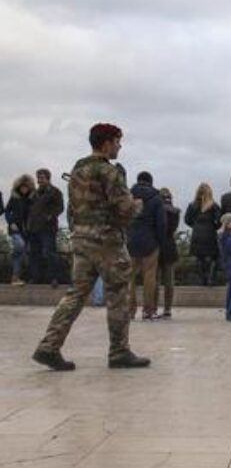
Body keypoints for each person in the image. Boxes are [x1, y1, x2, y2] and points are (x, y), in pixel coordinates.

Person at [32, 123, 150, 371]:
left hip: (81, 238)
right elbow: (124, 209)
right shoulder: (109, 172)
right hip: (107, 241)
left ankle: (49, 346)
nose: (120, 146)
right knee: (118, 293)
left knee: (75, 293)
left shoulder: (78, 169)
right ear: (106, 142)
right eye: (118, 141)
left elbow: (72, 209)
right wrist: (137, 205)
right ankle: (119, 351)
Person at [127, 171, 166, 321]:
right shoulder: (156, 198)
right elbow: (161, 223)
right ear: (151, 181)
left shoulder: (129, 196)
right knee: (149, 277)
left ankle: (130, 310)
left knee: (129, 277)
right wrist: (160, 241)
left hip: (130, 241)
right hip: (150, 241)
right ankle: (148, 310)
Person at [27, 168, 64, 287]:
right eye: (38, 178)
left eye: (42, 178)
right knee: (34, 253)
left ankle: (53, 278)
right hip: (34, 228)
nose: (39, 180)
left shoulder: (55, 192)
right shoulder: (34, 193)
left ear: (48, 178)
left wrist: (49, 216)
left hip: (48, 228)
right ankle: (35, 277)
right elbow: (30, 209)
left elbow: (60, 207)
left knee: (50, 253)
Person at [185, 183, 221, 286]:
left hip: (197, 234)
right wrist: (214, 227)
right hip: (209, 233)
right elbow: (220, 220)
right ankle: (211, 279)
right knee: (213, 257)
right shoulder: (214, 206)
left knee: (200, 258)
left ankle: (203, 280)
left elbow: (187, 220)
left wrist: (195, 226)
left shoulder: (192, 205)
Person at [5, 174, 34, 285]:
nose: (24, 189)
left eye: (26, 187)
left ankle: (15, 278)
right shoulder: (14, 198)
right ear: (18, 187)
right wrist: (11, 222)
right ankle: (13, 254)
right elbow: (7, 211)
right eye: (22, 187)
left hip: (26, 230)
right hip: (15, 228)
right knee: (20, 246)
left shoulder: (30, 199)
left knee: (21, 254)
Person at [157, 187, 181, 318]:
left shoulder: (157, 211)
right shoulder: (175, 212)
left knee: (155, 280)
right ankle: (167, 309)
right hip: (170, 247)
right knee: (169, 281)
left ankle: (152, 308)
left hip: (157, 246)